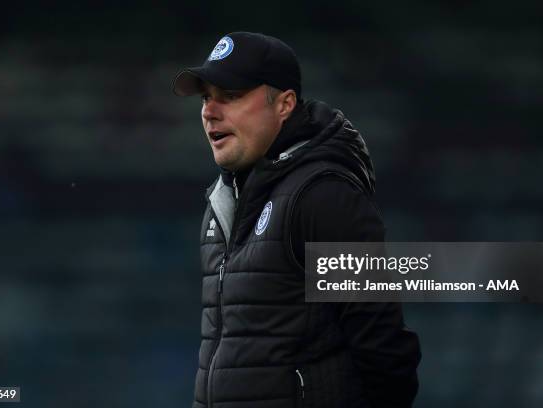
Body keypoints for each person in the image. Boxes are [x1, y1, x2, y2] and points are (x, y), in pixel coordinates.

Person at [172, 31, 421, 408]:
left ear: (285, 104)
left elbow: (385, 353)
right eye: (207, 97)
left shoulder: (322, 196)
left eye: (232, 96)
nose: (209, 111)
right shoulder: (223, 203)